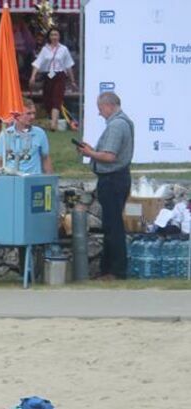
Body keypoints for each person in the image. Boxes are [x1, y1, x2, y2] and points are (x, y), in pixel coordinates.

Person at [78, 91, 134, 280]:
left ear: (109, 105)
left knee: (113, 227)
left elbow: (110, 156)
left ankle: (115, 270)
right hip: (118, 178)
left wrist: (90, 154)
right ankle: (110, 269)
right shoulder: (124, 122)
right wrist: (93, 151)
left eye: (100, 108)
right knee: (112, 224)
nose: (99, 113)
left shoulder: (117, 125)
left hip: (112, 179)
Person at [30, 28, 75, 129]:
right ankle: (51, 120)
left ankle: (54, 124)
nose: (54, 37)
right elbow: (37, 63)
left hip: (60, 75)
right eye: (52, 35)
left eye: (56, 35)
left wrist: (72, 80)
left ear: (59, 36)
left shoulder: (64, 49)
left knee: (57, 99)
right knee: (47, 99)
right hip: (48, 75)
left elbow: (68, 65)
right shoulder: (45, 49)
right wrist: (33, 76)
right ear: (49, 37)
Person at [0, 99, 52, 175]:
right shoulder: (5, 135)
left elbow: (45, 158)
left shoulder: (40, 133)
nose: (32, 117)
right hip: (12, 178)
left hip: (33, 178)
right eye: (28, 114)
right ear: (17, 116)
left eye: (34, 113)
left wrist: (50, 179)